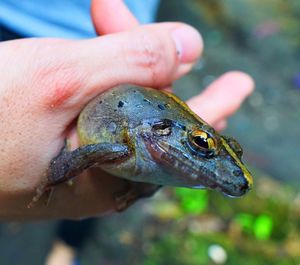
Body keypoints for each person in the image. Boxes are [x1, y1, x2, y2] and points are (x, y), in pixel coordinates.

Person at [0, 0, 254, 219]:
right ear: (160, 130)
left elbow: (156, 179)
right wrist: (49, 179)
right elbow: (85, 154)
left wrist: (137, 190)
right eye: (200, 144)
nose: (203, 155)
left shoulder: (164, 162)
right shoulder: (126, 150)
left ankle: (66, 246)